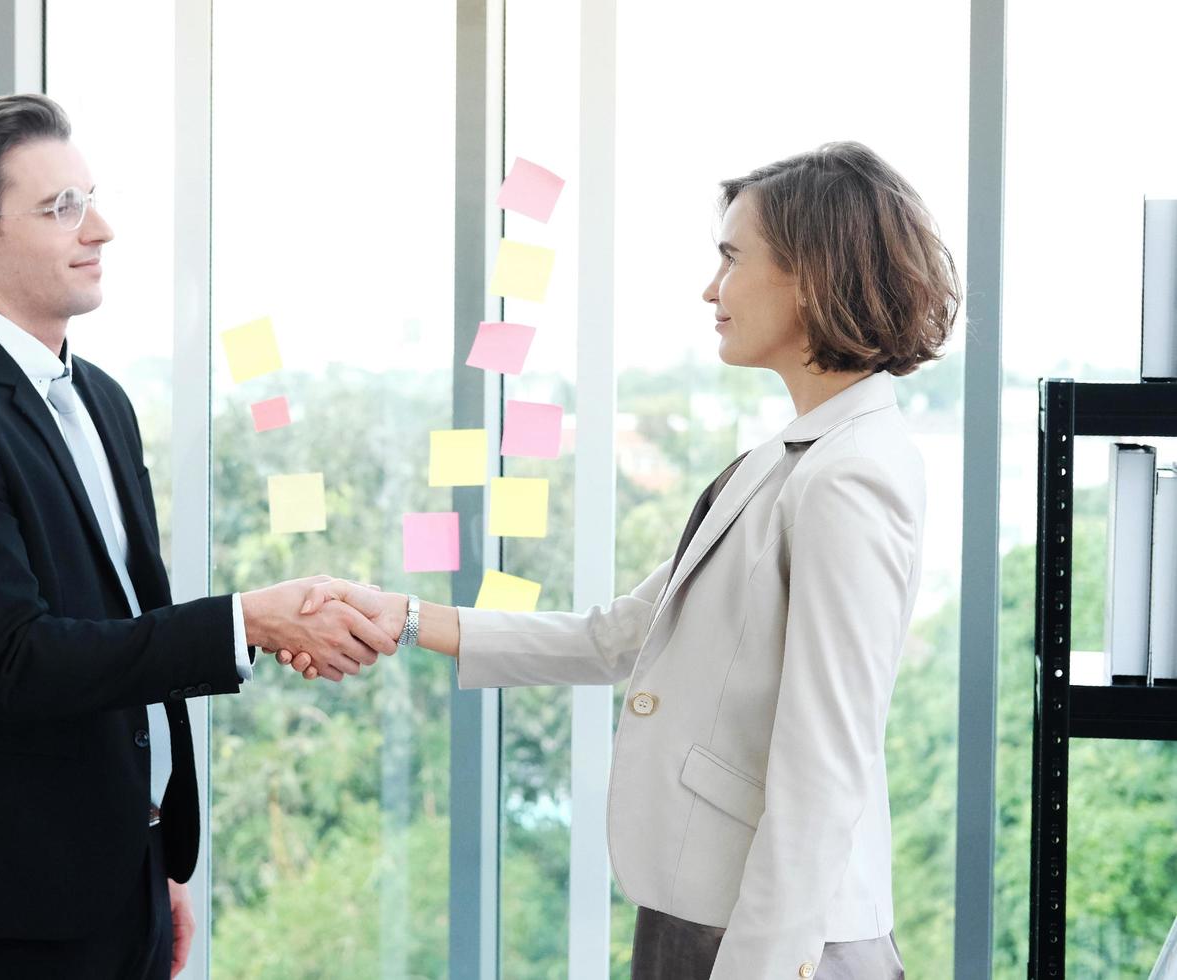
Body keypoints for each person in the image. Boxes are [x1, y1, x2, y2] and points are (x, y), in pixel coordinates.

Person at [283, 142, 959, 979]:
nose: (710, 290)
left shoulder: (850, 476)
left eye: (730, 259)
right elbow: (623, 636)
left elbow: (825, 763)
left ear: (811, 277)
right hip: (703, 907)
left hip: (776, 941)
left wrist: (754, 967)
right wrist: (411, 618)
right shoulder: (786, 459)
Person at [0, 94, 394, 979]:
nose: (100, 228)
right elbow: (18, 663)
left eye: (91, 197)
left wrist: (155, 855)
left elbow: (122, 624)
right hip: (16, 910)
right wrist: (248, 622)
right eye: (60, 208)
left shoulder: (102, 398)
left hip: (129, 877)